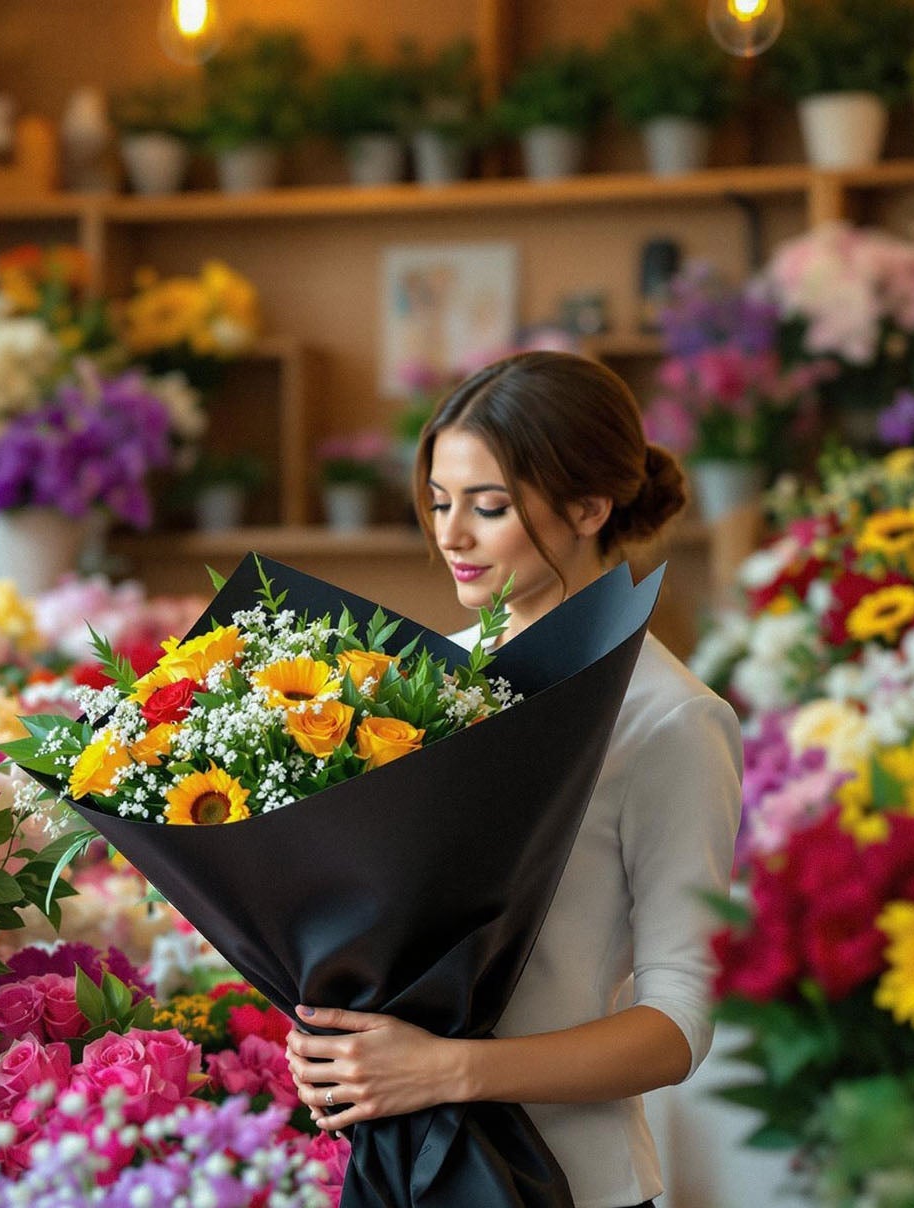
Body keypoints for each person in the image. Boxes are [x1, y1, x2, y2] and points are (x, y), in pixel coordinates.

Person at [283, 351, 743, 1208]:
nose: (451, 536)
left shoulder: (670, 717)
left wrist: (447, 1070)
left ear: (590, 505)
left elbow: (681, 1021)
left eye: (488, 507)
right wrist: (332, 1031)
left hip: (571, 1184)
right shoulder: (418, 684)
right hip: (401, 1170)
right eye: (440, 502)